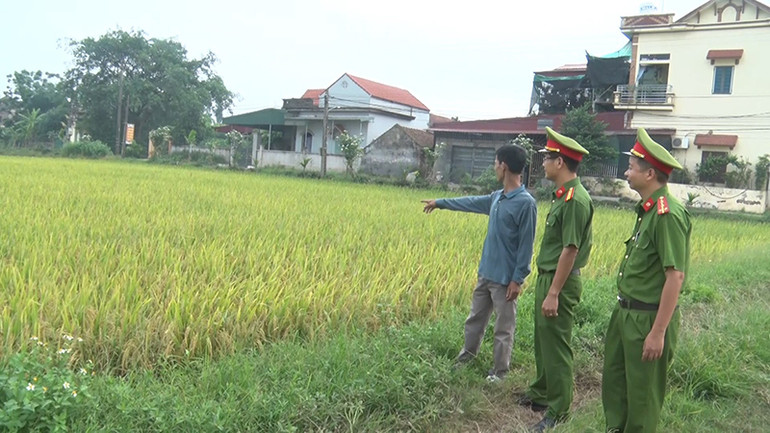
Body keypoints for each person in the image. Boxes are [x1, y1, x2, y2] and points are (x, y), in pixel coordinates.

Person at [602, 128, 691, 433]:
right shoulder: (648, 211)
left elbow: (675, 276)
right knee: (616, 385)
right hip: (626, 313)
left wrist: (658, 332)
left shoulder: (668, 215)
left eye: (631, 168)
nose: (626, 173)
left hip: (648, 319)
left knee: (642, 397)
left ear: (650, 174)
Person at [422, 144, 537, 381]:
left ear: (504, 166)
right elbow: (470, 202)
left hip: (506, 280)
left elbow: (526, 246)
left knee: (503, 328)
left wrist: (517, 279)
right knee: (475, 319)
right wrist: (440, 202)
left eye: (495, 163)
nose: (494, 168)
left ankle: (500, 373)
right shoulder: (497, 198)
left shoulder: (526, 203)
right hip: (486, 273)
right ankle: (466, 359)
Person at [518, 127, 593, 432]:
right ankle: (541, 392)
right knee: (543, 338)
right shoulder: (563, 195)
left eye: (547, 158)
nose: (544, 163)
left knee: (557, 345)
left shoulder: (575, 200)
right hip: (549, 277)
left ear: (560, 162)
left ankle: (559, 410)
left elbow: (570, 249)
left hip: (559, 282)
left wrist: (554, 293)